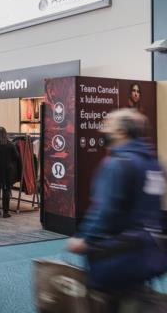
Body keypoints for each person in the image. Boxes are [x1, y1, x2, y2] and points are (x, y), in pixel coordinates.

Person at [67, 109, 167, 299]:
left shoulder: (117, 164)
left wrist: (84, 238)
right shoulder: (154, 163)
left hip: (117, 256)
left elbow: (105, 209)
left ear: (121, 132)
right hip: (148, 253)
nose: (102, 130)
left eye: (108, 125)